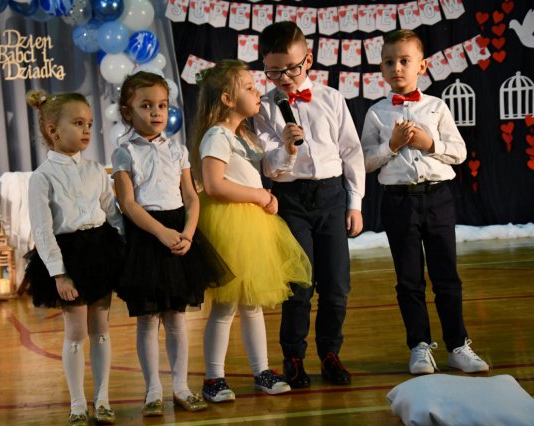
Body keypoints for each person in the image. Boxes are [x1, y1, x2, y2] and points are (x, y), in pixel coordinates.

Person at [360, 29, 489, 375]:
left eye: (404, 61)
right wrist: (391, 145)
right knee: (408, 279)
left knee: (446, 274)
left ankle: (458, 345)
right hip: (398, 201)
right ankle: (419, 346)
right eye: (389, 62)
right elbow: (364, 162)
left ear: (422, 66)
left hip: (438, 198)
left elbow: (459, 152)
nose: (397, 68)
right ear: (382, 68)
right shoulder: (375, 113)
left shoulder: (437, 106)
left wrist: (431, 144)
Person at [191, 59, 312, 403]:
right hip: (230, 226)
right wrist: (259, 195)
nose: (257, 91)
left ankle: (262, 371)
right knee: (226, 306)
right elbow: (214, 184)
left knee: (252, 305)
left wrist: (284, 157)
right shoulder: (216, 135)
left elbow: (253, 174)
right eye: (248, 87)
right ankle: (213, 377)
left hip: (251, 224)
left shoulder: (241, 135)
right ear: (228, 99)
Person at [112, 71, 230, 417]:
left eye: (161, 105)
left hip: (179, 232)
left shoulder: (178, 151)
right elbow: (128, 203)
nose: (155, 112)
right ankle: (152, 390)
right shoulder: (124, 152)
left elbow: (191, 197)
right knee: (148, 318)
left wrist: (189, 233)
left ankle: (181, 386)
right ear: (127, 111)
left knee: (177, 317)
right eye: (145, 105)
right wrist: (160, 233)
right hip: (146, 235)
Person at [254, 21, 365, 387]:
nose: (284, 77)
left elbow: (350, 151)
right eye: (273, 71)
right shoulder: (264, 109)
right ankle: (294, 357)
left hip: (332, 196)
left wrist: (355, 203)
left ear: (309, 60)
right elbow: (269, 166)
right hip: (291, 199)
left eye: (292, 68)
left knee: (336, 285)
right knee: (299, 284)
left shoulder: (331, 99)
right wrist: (285, 147)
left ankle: (331, 353)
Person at [24, 90, 124, 426]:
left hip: (100, 252)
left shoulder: (96, 169)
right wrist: (59, 273)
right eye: (78, 123)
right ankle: (78, 403)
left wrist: (128, 249)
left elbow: (112, 213)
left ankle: (103, 399)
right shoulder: (42, 176)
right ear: (53, 130)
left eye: (90, 124)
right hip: (69, 257)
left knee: (101, 327)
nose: (86, 131)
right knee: (76, 331)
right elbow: (42, 229)